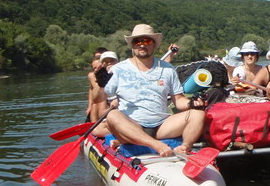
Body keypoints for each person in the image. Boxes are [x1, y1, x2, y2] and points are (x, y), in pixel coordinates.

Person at [91, 24, 207, 156]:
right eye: (137, 41)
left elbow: (179, 100)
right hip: (131, 126)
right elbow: (97, 99)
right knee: (112, 115)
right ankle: (156, 145)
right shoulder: (118, 69)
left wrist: (192, 103)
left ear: (154, 44)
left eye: (146, 41)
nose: (141, 45)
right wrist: (101, 85)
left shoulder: (168, 69)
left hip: (161, 126)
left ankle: (184, 147)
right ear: (132, 45)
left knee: (198, 114)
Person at [86, 47, 108, 121]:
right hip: (99, 100)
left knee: (99, 102)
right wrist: (89, 106)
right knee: (95, 104)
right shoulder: (92, 76)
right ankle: (93, 126)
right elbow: (91, 89)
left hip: (108, 100)